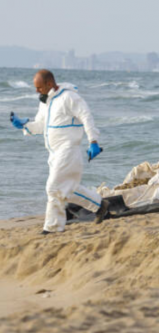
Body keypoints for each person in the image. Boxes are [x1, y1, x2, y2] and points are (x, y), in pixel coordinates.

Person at [9, 69, 108, 234]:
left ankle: (53, 228)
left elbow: (86, 117)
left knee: (53, 187)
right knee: (67, 188)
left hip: (68, 149)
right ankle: (99, 205)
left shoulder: (69, 97)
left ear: (49, 83)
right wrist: (25, 125)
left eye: (39, 87)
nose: (36, 91)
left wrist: (93, 141)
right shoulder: (45, 102)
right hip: (53, 152)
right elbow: (41, 126)